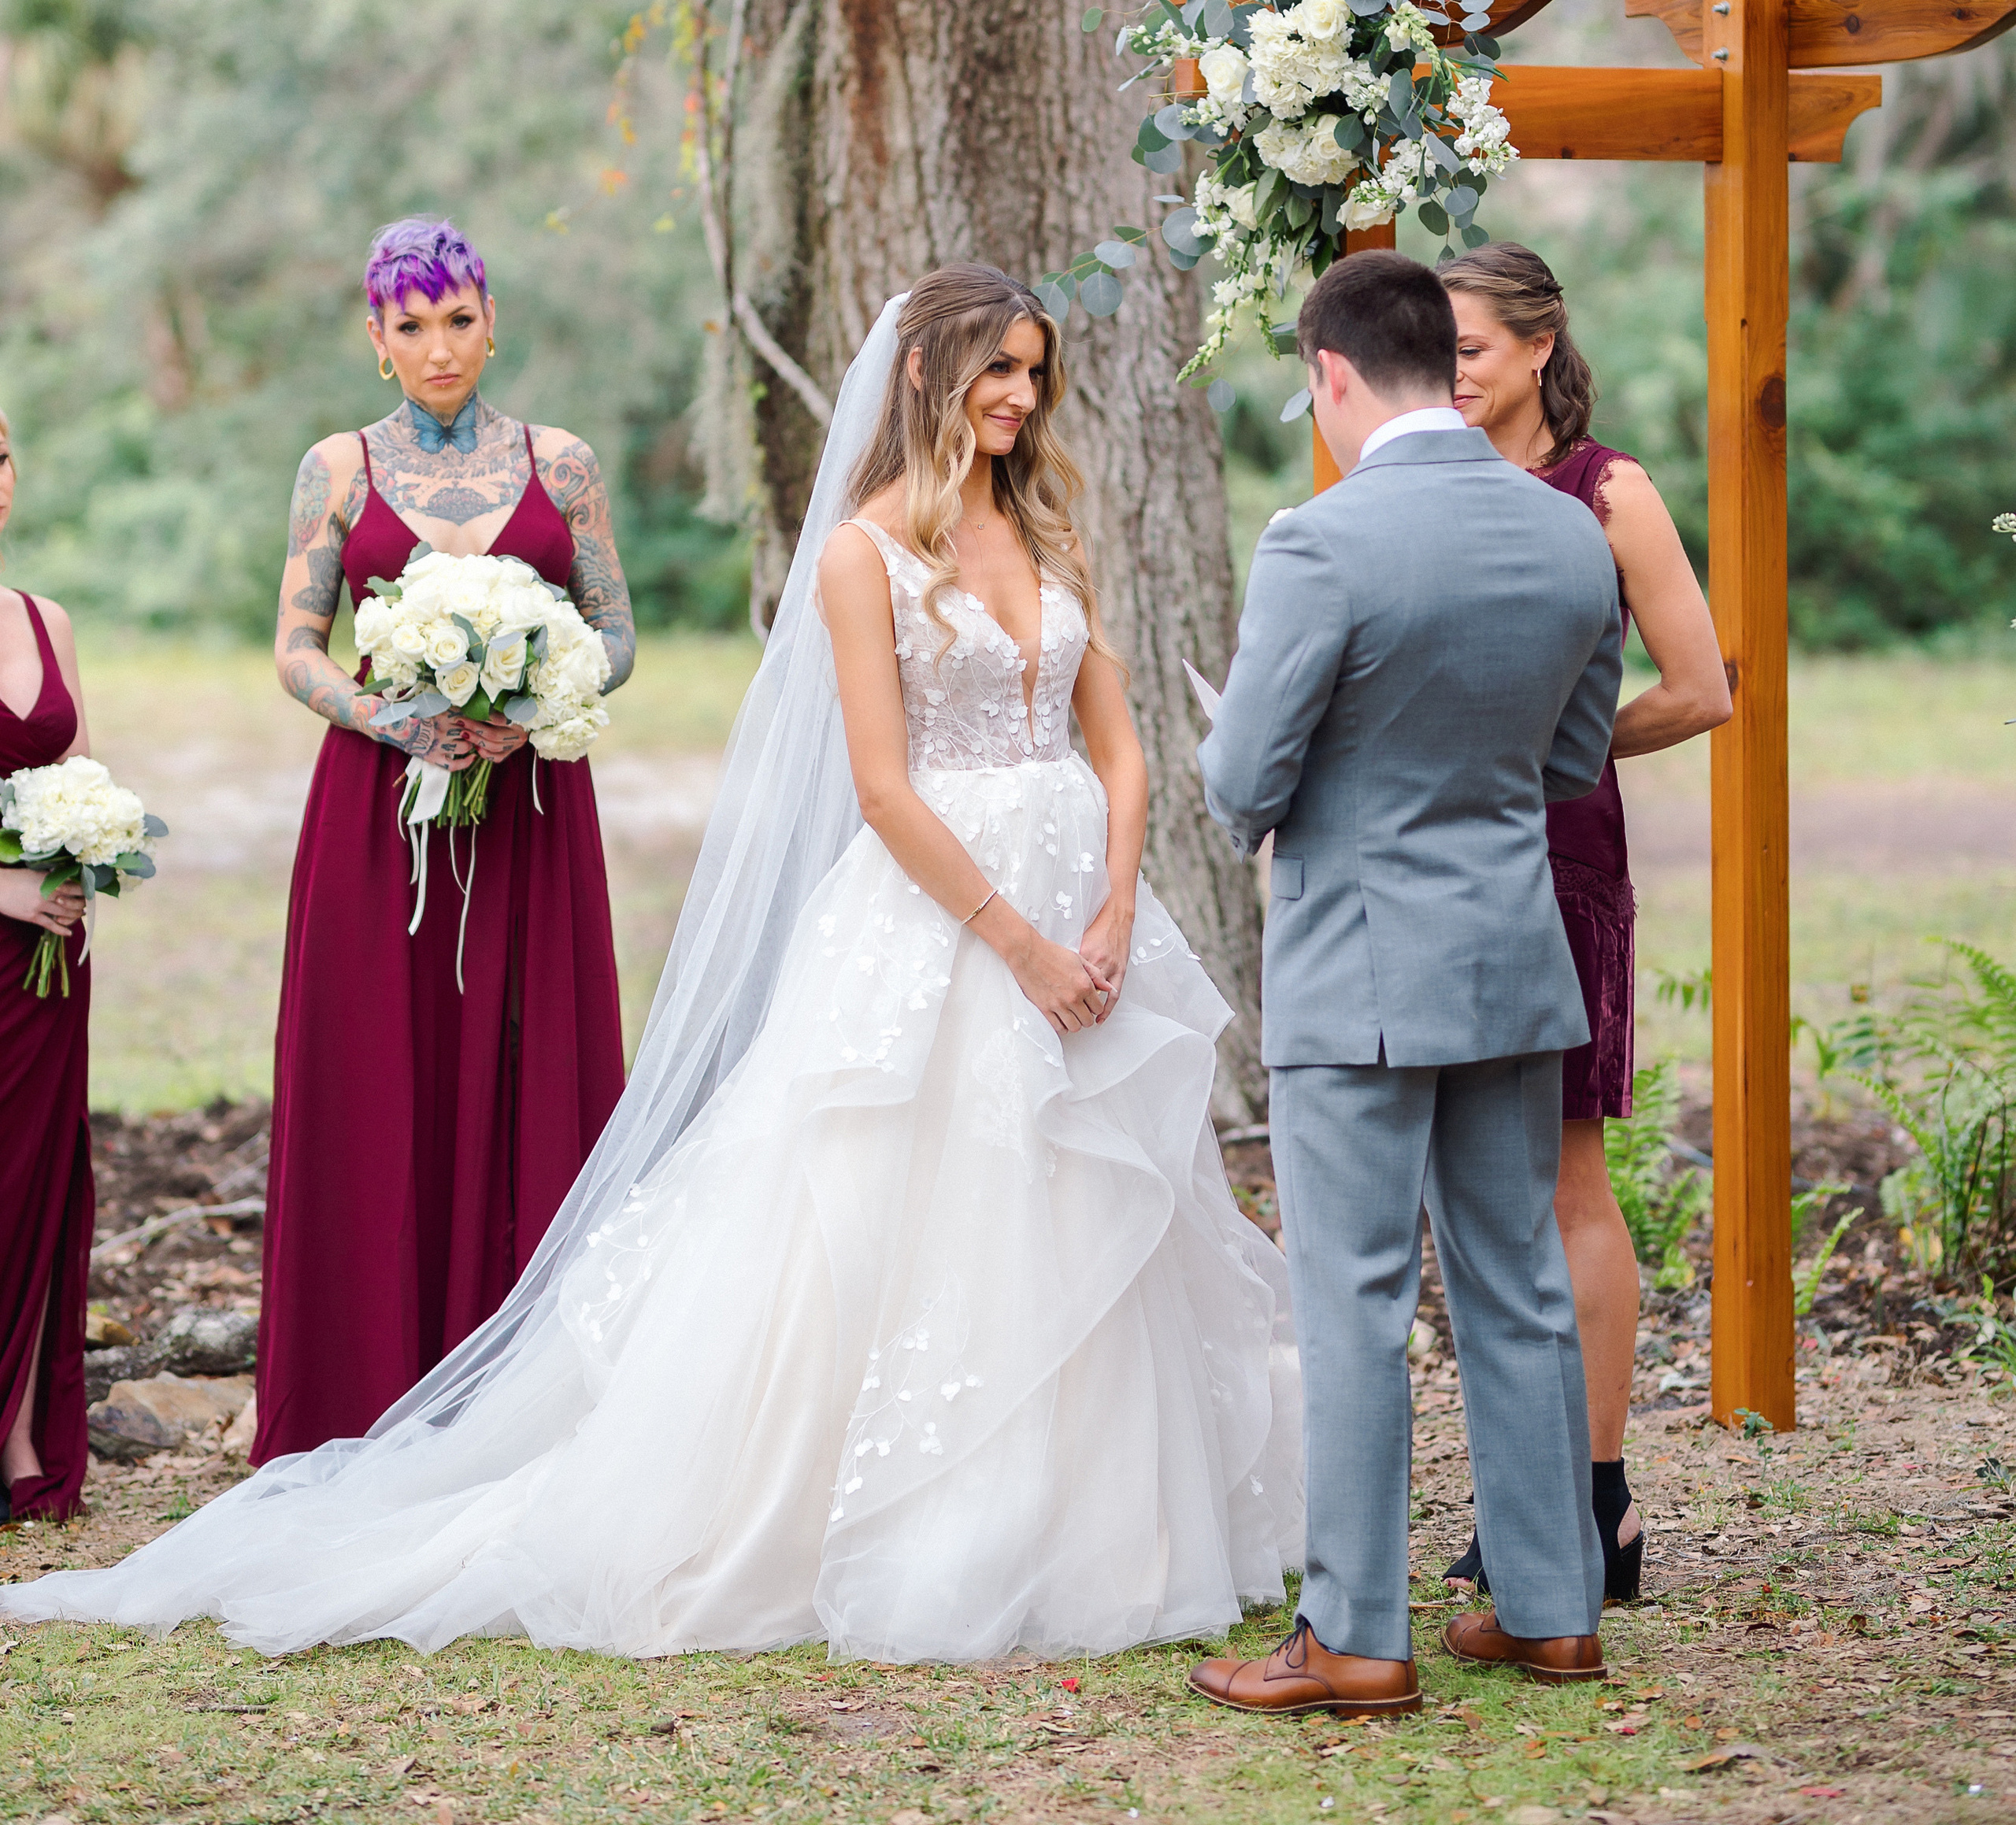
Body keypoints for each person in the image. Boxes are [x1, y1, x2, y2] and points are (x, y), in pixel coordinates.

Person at [0, 267, 1299, 1659]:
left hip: (1084, 908)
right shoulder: (864, 554)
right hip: (953, 918)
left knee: (1085, 1191)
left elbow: (1118, 744)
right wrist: (1025, 946)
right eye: (998, 368)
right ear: (927, 373)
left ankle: (1101, 1519)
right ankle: (917, 1521)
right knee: (933, 1192)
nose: (1021, 397)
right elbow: (881, 788)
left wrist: (1111, 907)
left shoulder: (1049, 533)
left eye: (1035, 372)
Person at [1189, 249, 1621, 1719]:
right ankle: (1555, 1610)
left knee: (1355, 1300)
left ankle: (1358, 1634)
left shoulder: (1320, 542)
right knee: (1519, 1285)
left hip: (1359, 969)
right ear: (1448, 362)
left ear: (1332, 374)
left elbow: (1244, 782)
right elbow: (1571, 761)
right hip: (1510, 955)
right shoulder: (1569, 532)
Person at [252, 217, 632, 1462]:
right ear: (377, 337)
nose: (438, 348)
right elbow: (296, 645)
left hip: (530, 815)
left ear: (491, 320)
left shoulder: (563, 466)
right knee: (378, 1079)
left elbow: (616, 633)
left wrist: (538, 701)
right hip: (379, 821)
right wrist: (392, 719)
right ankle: (364, 1391)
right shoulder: (337, 469)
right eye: (410, 327)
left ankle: (528, 1401)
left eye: (458, 320)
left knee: (530, 1067)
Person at [1436, 242, 1730, 1605]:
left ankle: (1597, 1502)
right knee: (1466, 1185)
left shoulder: (1610, 491)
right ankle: (1517, 1487)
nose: (1448, 375)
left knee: (1563, 1176)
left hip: (1557, 853)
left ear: (1539, 348)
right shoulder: (1425, 478)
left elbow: (1702, 686)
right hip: (1435, 855)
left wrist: (1560, 746)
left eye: (1470, 350)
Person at [0, 411, 96, 1528]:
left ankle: (19, 1432)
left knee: (32, 1179)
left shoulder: (46, 621)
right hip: (4, 915)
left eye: (0, 458)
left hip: (46, 958)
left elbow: (73, 777)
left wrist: (85, 868)